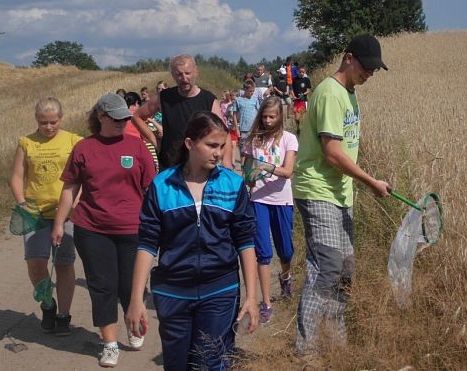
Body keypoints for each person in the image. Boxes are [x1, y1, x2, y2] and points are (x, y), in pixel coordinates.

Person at [125, 112, 259, 371]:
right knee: (177, 365)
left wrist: (252, 297)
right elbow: (147, 244)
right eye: (211, 145)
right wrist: (136, 299)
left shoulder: (233, 185)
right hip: (172, 291)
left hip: (220, 290)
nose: (218, 153)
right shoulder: (162, 185)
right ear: (189, 144)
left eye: (222, 146)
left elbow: (245, 241)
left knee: (210, 363)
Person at [292, 34, 392, 354]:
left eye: (375, 69)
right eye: (367, 67)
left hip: (340, 194)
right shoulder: (329, 94)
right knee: (327, 268)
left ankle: (336, 343)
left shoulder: (350, 94)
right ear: (348, 58)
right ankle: (306, 352)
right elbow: (333, 153)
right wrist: (371, 181)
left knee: (345, 270)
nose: (370, 73)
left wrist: (361, 183)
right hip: (317, 190)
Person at [52, 93, 156, 367]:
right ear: (101, 117)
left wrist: (160, 224)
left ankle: (135, 325)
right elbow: (70, 187)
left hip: (133, 228)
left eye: (126, 118)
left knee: (130, 285)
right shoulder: (84, 148)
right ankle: (109, 343)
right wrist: (60, 222)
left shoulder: (138, 146)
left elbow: (151, 189)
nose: (123, 122)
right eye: (117, 118)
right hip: (92, 228)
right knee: (102, 286)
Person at [10, 97, 81, 336]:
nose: (49, 127)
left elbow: (84, 176)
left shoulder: (73, 141)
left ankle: (63, 315)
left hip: (67, 212)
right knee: (35, 262)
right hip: (34, 212)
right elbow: (18, 176)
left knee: (63, 263)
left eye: (53, 122)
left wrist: (76, 202)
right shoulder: (26, 143)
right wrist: (22, 203)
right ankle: (47, 304)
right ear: (36, 121)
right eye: (43, 123)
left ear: (61, 119)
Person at [243, 96, 298, 324]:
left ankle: (285, 277)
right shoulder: (253, 141)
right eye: (264, 116)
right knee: (263, 252)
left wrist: (265, 166)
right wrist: (249, 176)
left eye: (271, 117)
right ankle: (266, 302)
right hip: (258, 201)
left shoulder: (289, 139)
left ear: (279, 117)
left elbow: (287, 172)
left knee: (285, 250)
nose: (267, 121)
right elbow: (246, 171)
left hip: (282, 200)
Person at [132, 54, 231, 169]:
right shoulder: (164, 97)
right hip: (170, 165)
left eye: (187, 73)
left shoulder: (208, 99)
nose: (184, 78)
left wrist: (227, 162)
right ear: (173, 75)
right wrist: (154, 140)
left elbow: (224, 133)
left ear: (195, 72)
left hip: (200, 167)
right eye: (179, 74)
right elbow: (137, 117)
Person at [125, 92, 160, 173]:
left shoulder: (121, 121)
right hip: (144, 154)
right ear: (137, 103)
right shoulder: (140, 119)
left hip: (128, 157)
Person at [233, 80, 260, 160]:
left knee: (252, 150)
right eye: (250, 91)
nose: (252, 93)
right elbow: (234, 114)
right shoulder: (238, 100)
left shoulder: (255, 100)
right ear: (245, 90)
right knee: (243, 150)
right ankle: (242, 168)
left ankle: (247, 169)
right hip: (243, 129)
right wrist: (237, 128)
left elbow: (258, 113)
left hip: (253, 129)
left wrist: (258, 126)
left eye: (253, 91)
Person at [291, 65, 312, 133]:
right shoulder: (294, 79)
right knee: (297, 118)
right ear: (297, 71)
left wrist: (303, 94)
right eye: (300, 72)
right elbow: (291, 89)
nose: (301, 73)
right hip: (296, 100)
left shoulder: (307, 80)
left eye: (303, 72)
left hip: (304, 100)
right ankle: (298, 128)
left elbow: (309, 90)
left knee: (303, 116)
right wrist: (293, 96)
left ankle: (304, 129)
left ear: (305, 72)